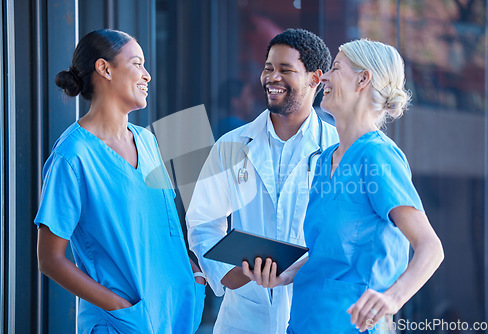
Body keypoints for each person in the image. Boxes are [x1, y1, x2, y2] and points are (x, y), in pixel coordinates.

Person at [242, 39, 444, 333]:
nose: (323, 76)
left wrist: (391, 299)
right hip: (303, 323)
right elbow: (327, 252)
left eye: (335, 68)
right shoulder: (325, 160)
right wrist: (286, 273)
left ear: (363, 79)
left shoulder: (377, 156)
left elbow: (431, 247)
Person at [34, 29, 205, 333]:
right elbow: (50, 259)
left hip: (176, 314)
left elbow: (163, 228)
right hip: (124, 323)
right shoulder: (73, 155)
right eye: (137, 64)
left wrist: (194, 277)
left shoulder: (147, 141)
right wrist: (118, 307)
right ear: (105, 68)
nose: (147, 75)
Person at [186, 28, 339, 334]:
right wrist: (227, 273)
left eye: (286, 69)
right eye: (268, 68)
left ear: (315, 78)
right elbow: (203, 220)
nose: (272, 77)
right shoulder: (232, 145)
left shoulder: (338, 149)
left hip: (314, 311)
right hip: (244, 315)